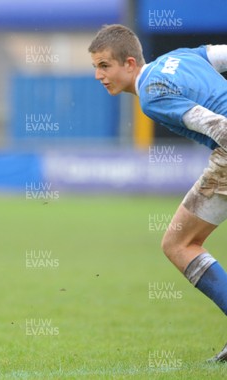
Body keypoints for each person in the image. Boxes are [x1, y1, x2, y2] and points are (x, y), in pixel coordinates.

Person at [89, 24, 227, 362]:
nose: (97, 75)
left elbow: (218, 126)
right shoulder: (181, 57)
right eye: (95, 66)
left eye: (105, 66)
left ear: (130, 63)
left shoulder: (151, 94)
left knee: (178, 243)